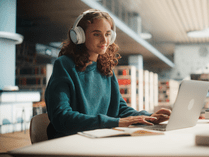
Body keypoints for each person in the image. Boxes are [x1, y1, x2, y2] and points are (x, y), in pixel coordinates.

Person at [45, 9, 171, 139]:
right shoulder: (64, 64)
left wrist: (149, 117)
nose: (104, 40)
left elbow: (119, 109)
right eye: (96, 34)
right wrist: (116, 122)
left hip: (97, 138)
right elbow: (61, 117)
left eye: (107, 34)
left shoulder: (105, 69)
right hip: (69, 140)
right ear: (79, 36)